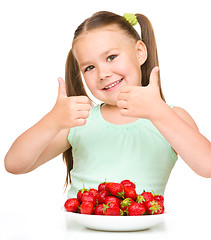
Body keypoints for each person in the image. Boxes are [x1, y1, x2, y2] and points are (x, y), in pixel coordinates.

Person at [4, 11, 211, 199]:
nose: (103, 74)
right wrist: (52, 121)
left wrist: (159, 112)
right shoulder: (80, 121)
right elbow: (14, 164)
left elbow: (207, 166)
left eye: (111, 57)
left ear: (139, 52)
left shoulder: (171, 117)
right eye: (90, 67)